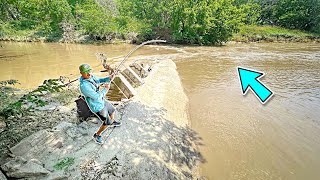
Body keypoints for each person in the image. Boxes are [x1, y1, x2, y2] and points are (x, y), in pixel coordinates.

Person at [79, 64, 121, 144]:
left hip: (102, 101)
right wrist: (105, 89)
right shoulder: (84, 86)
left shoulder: (90, 76)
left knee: (112, 110)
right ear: (81, 73)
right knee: (106, 122)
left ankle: (112, 122)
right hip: (97, 106)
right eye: (86, 73)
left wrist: (109, 78)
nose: (88, 74)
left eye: (89, 72)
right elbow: (96, 97)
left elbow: (98, 81)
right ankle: (97, 134)